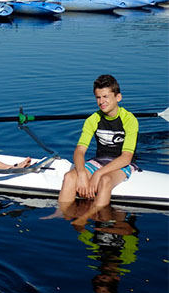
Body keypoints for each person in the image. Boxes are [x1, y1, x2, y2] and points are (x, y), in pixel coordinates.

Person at [59, 74, 139, 207]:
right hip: (100, 160)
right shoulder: (92, 120)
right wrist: (82, 175)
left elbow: (126, 158)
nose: (102, 102)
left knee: (105, 180)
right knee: (69, 177)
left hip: (122, 164)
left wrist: (98, 174)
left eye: (106, 97)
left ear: (118, 97)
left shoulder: (130, 120)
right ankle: (61, 213)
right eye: (98, 97)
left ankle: (95, 216)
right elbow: (79, 151)